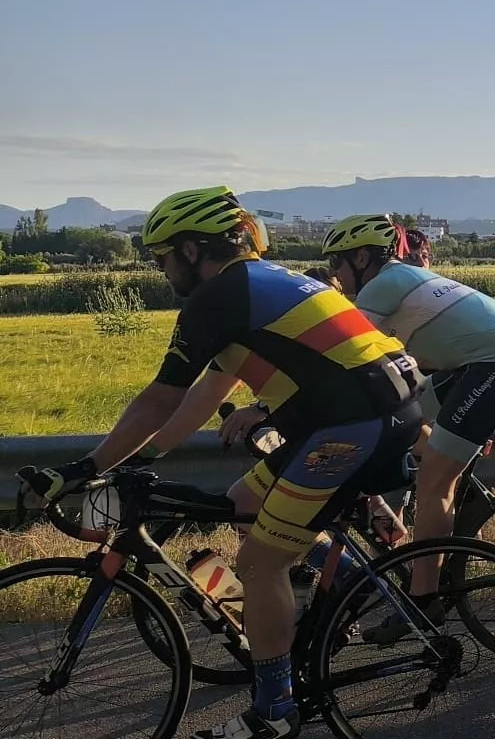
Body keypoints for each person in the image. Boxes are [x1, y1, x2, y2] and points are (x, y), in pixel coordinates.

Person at [26, 186, 425, 739]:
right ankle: (351, 581)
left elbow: (160, 397)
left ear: (192, 250)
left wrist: (82, 467)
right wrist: (150, 454)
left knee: (262, 562)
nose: (162, 270)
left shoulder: (219, 297)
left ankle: (275, 709)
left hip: (349, 427)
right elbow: (208, 393)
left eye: (162, 257)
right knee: (240, 507)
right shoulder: (260, 285)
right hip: (355, 417)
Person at [285, 213, 495, 643]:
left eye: (337, 264)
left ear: (361, 257)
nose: (334, 275)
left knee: (435, 483)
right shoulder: (398, 278)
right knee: (403, 419)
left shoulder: (383, 284)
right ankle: (454, 491)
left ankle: (424, 602)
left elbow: (343, 351)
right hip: (491, 356)